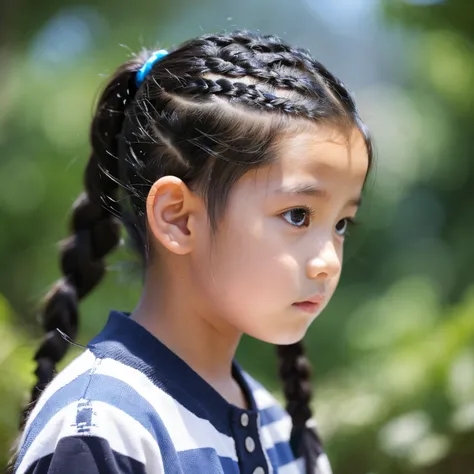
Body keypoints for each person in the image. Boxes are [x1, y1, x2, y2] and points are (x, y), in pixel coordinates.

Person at [9, 29, 372, 474]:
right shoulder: (101, 428)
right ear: (179, 217)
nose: (328, 262)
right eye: (298, 215)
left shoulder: (284, 431)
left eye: (340, 224)